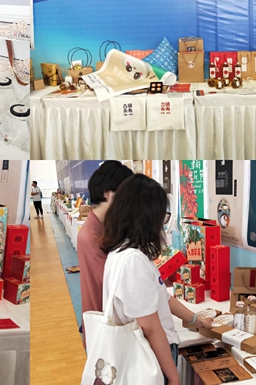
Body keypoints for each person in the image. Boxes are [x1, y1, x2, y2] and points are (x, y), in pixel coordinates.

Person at [100, 174, 213, 385]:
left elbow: (162, 297)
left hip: (146, 352)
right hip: (149, 356)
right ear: (147, 217)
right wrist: (173, 376)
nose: (163, 223)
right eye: (162, 216)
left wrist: (196, 320)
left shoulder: (122, 252)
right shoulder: (133, 261)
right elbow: (151, 328)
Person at [77, 161, 133, 320]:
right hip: (104, 318)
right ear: (107, 193)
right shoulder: (90, 236)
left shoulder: (107, 225)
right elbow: (113, 281)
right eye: (124, 194)